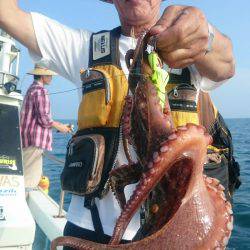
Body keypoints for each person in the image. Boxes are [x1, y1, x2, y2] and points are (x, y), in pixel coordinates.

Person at [0, 0, 238, 246]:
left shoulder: (191, 52)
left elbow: (226, 65)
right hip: (89, 229)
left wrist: (205, 36)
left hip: (175, 232)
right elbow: (6, 14)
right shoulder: (85, 48)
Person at [20, 64, 72, 189]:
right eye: (49, 75)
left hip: (27, 139)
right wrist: (61, 128)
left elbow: (40, 117)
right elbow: (44, 119)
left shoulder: (31, 89)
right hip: (34, 141)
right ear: (43, 75)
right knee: (29, 181)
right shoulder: (41, 91)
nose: (51, 78)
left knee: (27, 175)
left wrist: (60, 125)